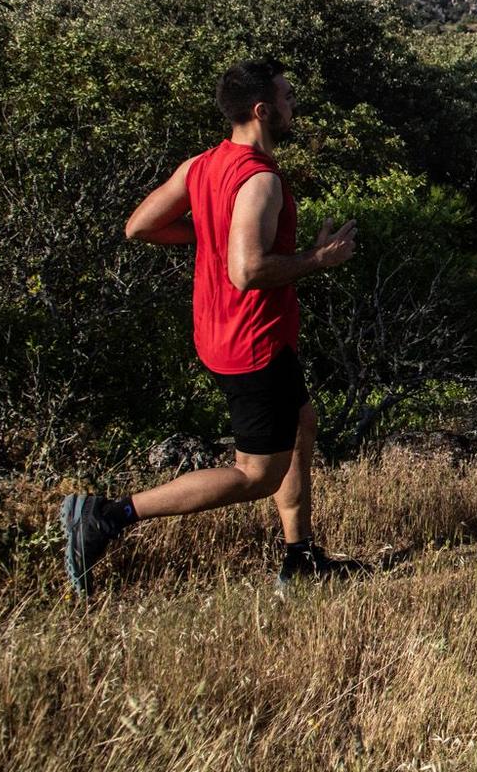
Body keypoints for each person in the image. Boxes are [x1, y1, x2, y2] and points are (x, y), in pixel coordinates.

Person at [59, 61, 368, 595]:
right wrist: (317, 259)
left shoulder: (202, 165)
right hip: (252, 344)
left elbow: (142, 225)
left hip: (224, 331)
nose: (295, 105)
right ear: (261, 110)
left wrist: (211, 234)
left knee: (302, 424)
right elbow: (247, 271)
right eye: (288, 97)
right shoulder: (260, 180)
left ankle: (300, 557)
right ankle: (108, 516)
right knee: (256, 474)